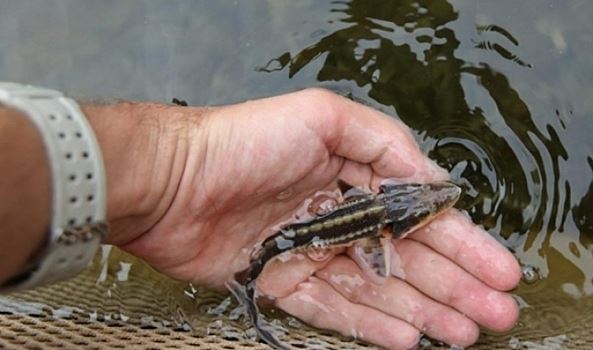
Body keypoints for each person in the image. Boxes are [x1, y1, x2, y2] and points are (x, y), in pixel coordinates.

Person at [0, 86, 520, 350]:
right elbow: (373, 254)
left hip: (308, 232)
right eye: (431, 204)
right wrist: (169, 176)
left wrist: (171, 176)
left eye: (429, 205)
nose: (437, 201)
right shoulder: (376, 230)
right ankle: (250, 298)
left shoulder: (370, 212)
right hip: (303, 235)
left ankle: (249, 291)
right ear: (395, 224)